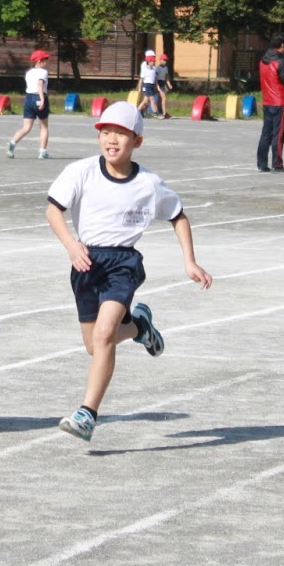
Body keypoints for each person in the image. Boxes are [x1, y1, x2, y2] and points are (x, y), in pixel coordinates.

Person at [48, 101, 213, 441]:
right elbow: (53, 210)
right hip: (85, 262)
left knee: (106, 334)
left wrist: (190, 261)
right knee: (96, 346)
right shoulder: (81, 172)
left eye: (121, 134)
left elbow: (178, 216)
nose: (112, 140)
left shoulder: (149, 183)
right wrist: (71, 244)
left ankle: (87, 414)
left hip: (123, 264)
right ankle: (139, 326)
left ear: (137, 140)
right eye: (106, 132)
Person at [7, 48, 52, 160]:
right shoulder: (43, 72)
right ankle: (42, 152)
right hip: (39, 97)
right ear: (39, 61)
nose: (47, 62)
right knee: (44, 127)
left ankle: (12, 142)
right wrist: (42, 99)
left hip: (28, 99)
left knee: (26, 127)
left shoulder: (29, 73)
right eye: (45, 60)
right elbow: (40, 85)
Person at [256, 35, 284, 173]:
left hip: (267, 101)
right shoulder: (280, 62)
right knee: (279, 134)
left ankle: (262, 164)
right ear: (282, 46)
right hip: (280, 102)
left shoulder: (263, 60)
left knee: (266, 133)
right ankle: (277, 164)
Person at [134, 50, 162, 118]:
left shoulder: (154, 69)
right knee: (152, 99)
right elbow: (141, 79)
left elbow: (155, 79)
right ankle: (156, 113)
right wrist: (140, 88)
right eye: (152, 61)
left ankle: (136, 111)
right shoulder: (144, 67)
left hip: (151, 85)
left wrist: (157, 87)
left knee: (145, 101)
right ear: (149, 61)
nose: (154, 62)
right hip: (147, 85)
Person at [153, 54, 172, 119]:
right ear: (160, 60)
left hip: (163, 83)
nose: (165, 61)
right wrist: (157, 86)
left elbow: (166, 78)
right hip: (159, 83)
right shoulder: (157, 68)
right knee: (164, 98)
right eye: (164, 60)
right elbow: (155, 78)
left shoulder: (166, 68)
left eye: (166, 60)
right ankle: (164, 113)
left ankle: (159, 111)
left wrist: (169, 84)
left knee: (160, 99)